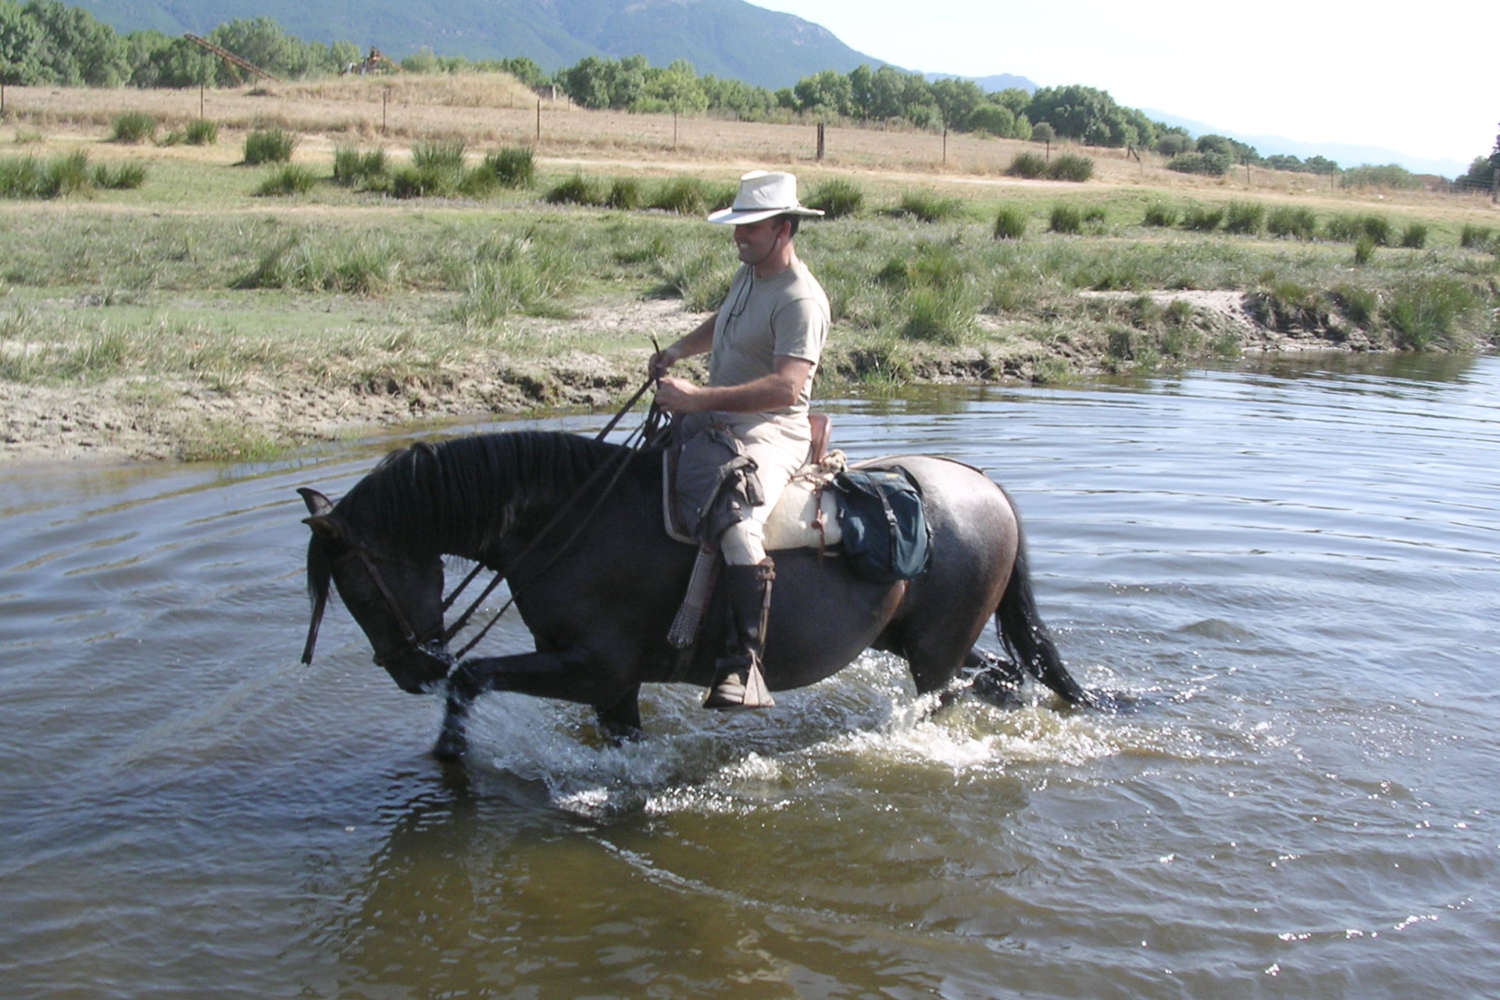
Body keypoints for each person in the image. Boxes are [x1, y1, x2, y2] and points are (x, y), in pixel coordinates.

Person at [649, 170, 830, 710]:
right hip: (718, 419)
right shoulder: (750, 275)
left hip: (772, 432)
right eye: (738, 226)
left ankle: (743, 664)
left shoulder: (801, 299)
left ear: (782, 228)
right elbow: (724, 321)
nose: (738, 236)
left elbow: (786, 387)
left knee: (738, 522)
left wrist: (695, 399)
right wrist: (679, 350)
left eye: (749, 227)